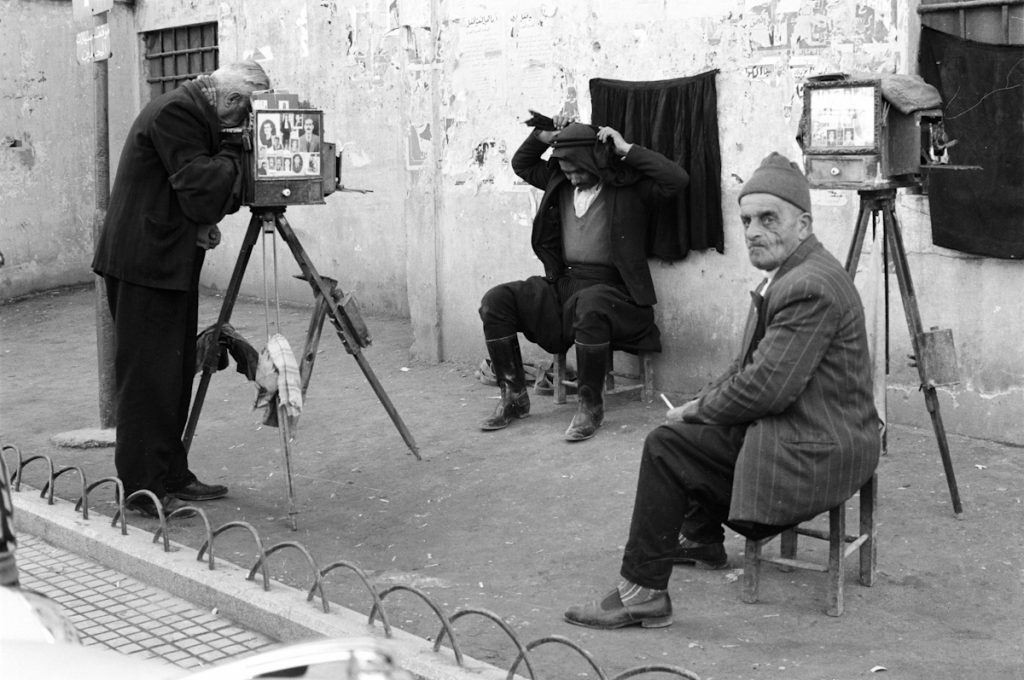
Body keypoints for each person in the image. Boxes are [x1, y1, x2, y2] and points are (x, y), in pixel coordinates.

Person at [563, 152, 880, 629]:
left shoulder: (807, 286)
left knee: (667, 447)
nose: (753, 231)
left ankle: (643, 592)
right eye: (747, 219)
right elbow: (747, 368)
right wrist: (704, 401)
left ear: (804, 224)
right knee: (702, 428)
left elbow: (767, 390)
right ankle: (703, 539)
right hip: (817, 427)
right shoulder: (792, 274)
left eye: (768, 219)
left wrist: (696, 412)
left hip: (821, 446)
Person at [91, 61, 271, 518]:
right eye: (244, 116)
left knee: (170, 374)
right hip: (143, 264)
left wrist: (200, 222)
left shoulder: (191, 111)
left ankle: (172, 474)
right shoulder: (178, 113)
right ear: (231, 102)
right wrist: (236, 155)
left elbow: (184, 191)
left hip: (166, 259)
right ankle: (142, 489)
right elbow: (203, 188)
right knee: (147, 379)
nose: (242, 126)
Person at [478, 115, 687, 441]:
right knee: (497, 301)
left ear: (596, 162)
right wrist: (544, 137)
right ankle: (514, 397)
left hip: (617, 293)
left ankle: (590, 408)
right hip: (565, 286)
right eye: (567, 169)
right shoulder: (558, 180)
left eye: (579, 170)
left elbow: (676, 179)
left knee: (591, 304)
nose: (572, 177)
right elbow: (522, 163)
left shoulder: (628, 187)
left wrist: (626, 148)